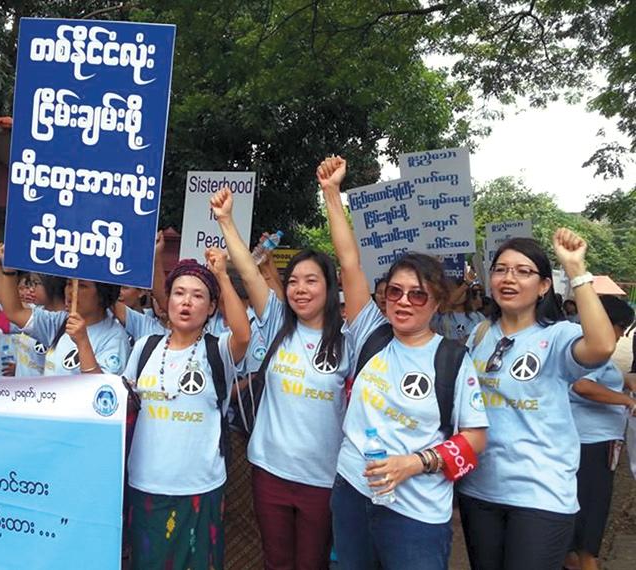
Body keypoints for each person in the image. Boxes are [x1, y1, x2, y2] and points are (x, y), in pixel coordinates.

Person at [315, 156, 488, 570]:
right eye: (395, 292)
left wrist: (414, 463)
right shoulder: (369, 333)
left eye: (418, 294)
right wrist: (332, 194)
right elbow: (350, 262)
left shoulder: (452, 359)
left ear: (438, 302)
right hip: (353, 495)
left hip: (417, 515)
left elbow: (476, 440)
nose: (404, 302)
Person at [211, 181, 357, 570]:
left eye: (311, 280)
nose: (299, 289)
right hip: (269, 472)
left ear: (330, 286)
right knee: (275, 562)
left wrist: (331, 195)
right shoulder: (277, 323)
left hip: (323, 479)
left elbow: (350, 262)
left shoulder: (349, 342)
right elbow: (249, 271)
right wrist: (226, 220)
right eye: (293, 281)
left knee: (311, 564)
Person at [458, 232, 617, 570]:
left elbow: (602, 346)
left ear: (544, 285)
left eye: (522, 271)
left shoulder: (558, 336)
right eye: (500, 270)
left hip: (540, 495)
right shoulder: (480, 334)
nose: (509, 278)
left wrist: (576, 270)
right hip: (480, 491)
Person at [124, 250, 250, 570]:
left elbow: (243, 334)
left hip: (200, 487)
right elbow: (121, 404)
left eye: (197, 296)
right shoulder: (145, 348)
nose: (186, 302)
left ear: (210, 308)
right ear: (167, 301)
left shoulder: (217, 351)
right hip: (145, 484)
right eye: (179, 293)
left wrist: (221, 274)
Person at [0, 237, 129, 377]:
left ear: (103, 295)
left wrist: (82, 342)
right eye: (69, 284)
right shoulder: (59, 322)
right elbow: (14, 312)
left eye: (81, 286)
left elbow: (102, 393)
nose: (71, 291)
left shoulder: (114, 337)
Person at [566, 295, 636, 570]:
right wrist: (627, 401)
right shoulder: (591, 351)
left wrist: (624, 384)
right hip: (590, 445)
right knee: (590, 517)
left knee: (587, 513)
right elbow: (582, 386)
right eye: (621, 330)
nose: (619, 339)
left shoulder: (590, 350)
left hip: (596, 443)